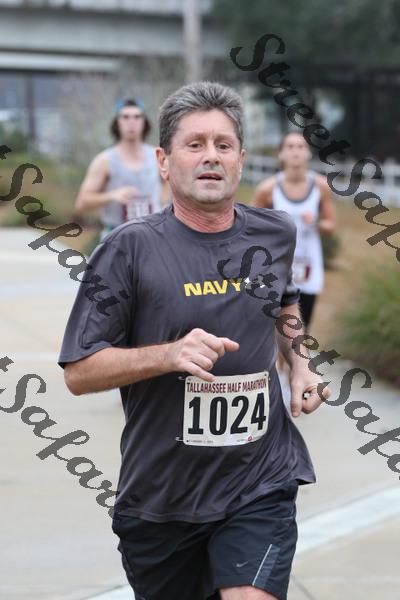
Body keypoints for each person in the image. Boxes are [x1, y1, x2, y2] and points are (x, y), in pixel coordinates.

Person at [59, 82, 330, 600]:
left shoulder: (274, 233)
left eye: (223, 145)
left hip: (260, 480)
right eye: (195, 144)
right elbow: (79, 371)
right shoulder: (127, 250)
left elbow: (286, 302)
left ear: (241, 161)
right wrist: (168, 354)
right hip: (163, 498)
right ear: (164, 161)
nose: (211, 157)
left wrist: (300, 365)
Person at [254, 132, 336, 330]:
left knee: (302, 331)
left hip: (308, 269)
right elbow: (251, 228)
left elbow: (331, 226)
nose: (296, 152)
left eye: (301, 147)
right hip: (277, 268)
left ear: (308, 153)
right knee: (274, 332)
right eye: (290, 147)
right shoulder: (268, 189)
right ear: (281, 154)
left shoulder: (320, 186)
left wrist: (316, 222)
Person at [74, 98, 163, 239]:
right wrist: (112, 195)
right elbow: (82, 202)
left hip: (152, 236)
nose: (131, 122)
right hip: (116, 237)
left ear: (144, 122)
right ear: (117, 123)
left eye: (137, 117)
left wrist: (162, 205)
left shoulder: (157, 156)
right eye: (125, 117)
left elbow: (172, 186)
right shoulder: (105, 160)